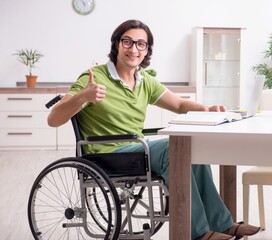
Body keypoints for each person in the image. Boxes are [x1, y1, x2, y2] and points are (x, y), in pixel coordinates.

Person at [47, 19, 260, 240]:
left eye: (141, 44)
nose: (134, 49)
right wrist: (83, 96)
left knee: (191, 146)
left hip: (136, 149)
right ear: (116, 44)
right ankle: (196, 233)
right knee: (176, 149)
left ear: (147, 49)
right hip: (106, 154)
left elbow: (178, 104)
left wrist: (208, 109)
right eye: (127, 42)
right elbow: (53, 119)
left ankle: (222, 223)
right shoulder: (94, 77)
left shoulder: (144, 80)